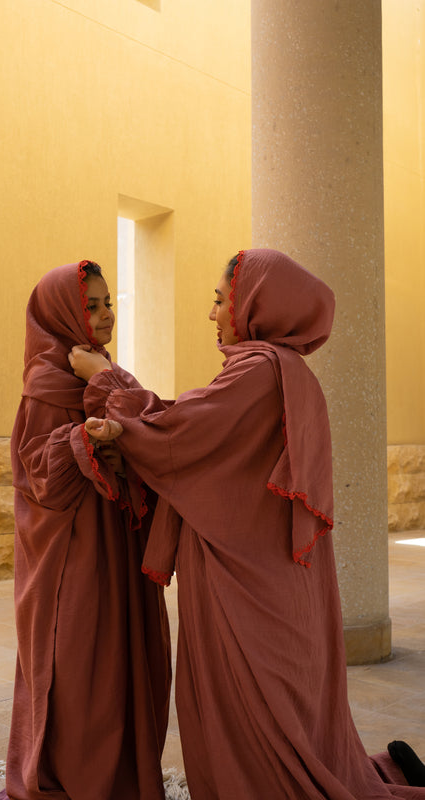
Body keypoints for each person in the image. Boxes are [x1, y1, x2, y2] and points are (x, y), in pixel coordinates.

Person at [70, 248, 425, 799]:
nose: (211, 314)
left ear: (257, 303)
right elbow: (203, 444)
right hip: (274, 583)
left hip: (249, 593)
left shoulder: (259, 370)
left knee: (254, 718)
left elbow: (179, 437)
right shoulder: (284, 372)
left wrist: (109, 378)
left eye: (219, 300)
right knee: (285, 719)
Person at [4, 260, 171, 800]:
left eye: (108, 303)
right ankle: (75, 780)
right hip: (70, 553)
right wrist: (85, 441)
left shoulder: (95, 371)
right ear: (62, 316)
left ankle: (120, 778)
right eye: (90, 306)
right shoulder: (46, 384)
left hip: (115, 542)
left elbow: (150, 429)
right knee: (79, 663)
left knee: (119, 661)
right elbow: (36, 475)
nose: (105, 316)